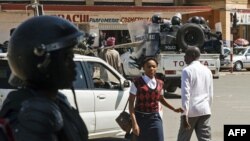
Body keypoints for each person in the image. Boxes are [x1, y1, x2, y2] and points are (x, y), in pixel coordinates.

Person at [0, 16, 88, 141]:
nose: (73, 65)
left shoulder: (59, 102)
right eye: (67, 57)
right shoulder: (33, 116)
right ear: (43, 63)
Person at [128, 57, 183, 141]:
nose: (151, 69)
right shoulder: (137, 82)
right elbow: (131, 103)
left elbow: (161, 99)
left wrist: (173, 109)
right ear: (143, 68)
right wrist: (134, 123)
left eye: (154, 66)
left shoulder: (160, 83)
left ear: (157, 67)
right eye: (148, 66)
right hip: (140, 118)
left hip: (155, 118)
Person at [177, 46, 213, 141]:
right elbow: (210, 93)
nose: (184, 58)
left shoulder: (187, 70)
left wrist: (184, 115)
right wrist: (208, 108)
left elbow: (185, 94)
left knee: (183, 138)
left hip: (191, 112)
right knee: (205, 139)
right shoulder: (207, 70)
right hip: (205, 110)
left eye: (186, 55)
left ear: (192, 56)